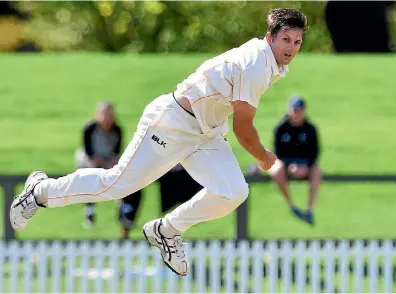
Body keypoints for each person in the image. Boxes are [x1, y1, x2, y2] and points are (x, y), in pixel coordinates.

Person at [10, 8, 307, 277]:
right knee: (116, 185)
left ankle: (167, 230)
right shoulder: (257, 63)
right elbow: (243, 128)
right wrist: (265, 157)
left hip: (206, 131)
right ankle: (39, 192)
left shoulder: (271, 62)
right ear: (270, 37)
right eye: (286, 39)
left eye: (297, 42)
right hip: (172, 123)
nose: (291, 48)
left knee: (234, 191)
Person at [269, 96, 322, 225]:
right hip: (286, 164)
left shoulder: (310, 129)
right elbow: (277, 152)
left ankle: (309, 209)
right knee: (276, 170)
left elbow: (315, 152)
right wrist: (290, 165)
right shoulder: (281, 128)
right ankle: (291, 205)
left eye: (300, 110)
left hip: (305, 165)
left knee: (317, 171)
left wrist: (304, 165)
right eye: (295, 110)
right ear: (289, 110)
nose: (297, 113)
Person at [75, 101, 122, 228]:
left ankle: (121, 206)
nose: (106, 117)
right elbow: (88, 151)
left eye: (109, 114)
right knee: (89, 175)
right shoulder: (89, 129)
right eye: (103, 113)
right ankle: (89, 209)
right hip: (91, 160)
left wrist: (112, 162)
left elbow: (117, 150)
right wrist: (101, 162)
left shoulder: (117, 129)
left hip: (109, 159)